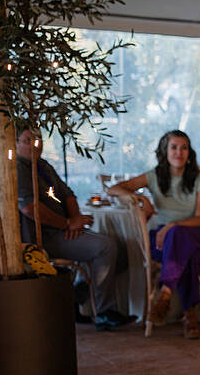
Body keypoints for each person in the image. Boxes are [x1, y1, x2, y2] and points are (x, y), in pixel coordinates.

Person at [13, 125, 134, 331]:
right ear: (14, 143)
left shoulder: (42, 165)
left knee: (122, 251)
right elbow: (29, 208)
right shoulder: (18, 168)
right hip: (42, 237)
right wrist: (67, 224)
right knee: (106, 247)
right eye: (27, 140)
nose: (35, 145)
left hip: (62, 229)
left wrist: (75, 218)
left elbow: (68, 193)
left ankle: (74, 296)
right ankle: (104, 313)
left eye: (38, 139)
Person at [107, 130, 200, 340]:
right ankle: (189, 314)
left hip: (197, 235)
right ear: (164, 151)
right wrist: (140, 198)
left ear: (189, 153)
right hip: (166, 242)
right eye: (173, 147)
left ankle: (165, 291)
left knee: (180, 237)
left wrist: (173, 225)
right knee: (187, 252)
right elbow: (113, 189)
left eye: (183, 148)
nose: (178, 153)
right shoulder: (154, 176)